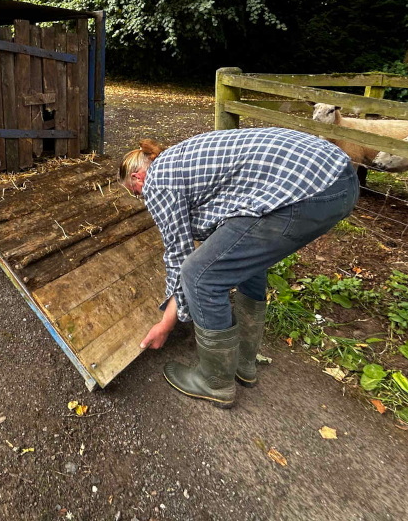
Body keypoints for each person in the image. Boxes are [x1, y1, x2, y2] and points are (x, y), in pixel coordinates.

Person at [119, 127, 358, 408]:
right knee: (245, 262)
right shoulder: (182, 161)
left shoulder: (158, 180)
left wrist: (166, 324)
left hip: (307, 189)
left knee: (200, 276)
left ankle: (215, 382)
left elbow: (179, 256)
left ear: (138, 176)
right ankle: (243, 363)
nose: (142, 198)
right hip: (339, 179)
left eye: (135, 192)